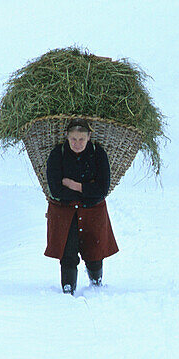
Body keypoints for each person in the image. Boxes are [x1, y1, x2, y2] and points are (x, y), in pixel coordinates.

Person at [44, 118, 119, 294]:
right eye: (73, 139)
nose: (77, 144)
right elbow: (55, 189)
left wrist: (73, 185)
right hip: (64, 211)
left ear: (89, 137)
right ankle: (68, 288)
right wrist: (87, 189)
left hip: (93, 210)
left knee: (95, 250)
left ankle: (96, 281)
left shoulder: (98, 153)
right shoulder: (58, 154)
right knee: (67, 251)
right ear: (67, 137)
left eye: (81, 139)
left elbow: (102, 189)